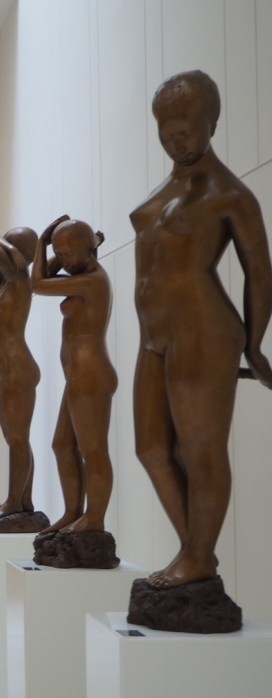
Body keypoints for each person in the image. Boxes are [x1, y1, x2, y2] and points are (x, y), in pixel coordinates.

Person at [131, 70, 272, 589]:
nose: (177, 142)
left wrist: (255, 344)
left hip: (203, 330)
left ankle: (196, 556)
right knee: (151, 449)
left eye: (186, 131)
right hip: (154, 333)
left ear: (212, 123)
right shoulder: (167, 187)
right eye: (167, 132)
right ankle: (196, 554)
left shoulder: (230, 194)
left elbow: (260, 271)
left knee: (200, 451)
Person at [31, 215, 117, 535]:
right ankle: (72, 512)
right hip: (78, 376)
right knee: (62, 445)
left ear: (87, 249)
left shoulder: (93, 280)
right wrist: (55, 248)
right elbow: (43, 278)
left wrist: (42, 242)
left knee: (93, 451)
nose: (62, 261)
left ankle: (95, 518)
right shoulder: (81, 273)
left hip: (91, 374)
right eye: (59, 254)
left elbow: (37, 284)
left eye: (67, 254)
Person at [0, 228, 41, 517]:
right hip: (5, 369)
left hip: (16, 367)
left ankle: (14, 501)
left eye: (9, 243)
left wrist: (12, 252)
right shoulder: (8, 284)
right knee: (15, 439)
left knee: (17, 439)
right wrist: (11, 251)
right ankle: (24, 500)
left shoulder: (19, 279)